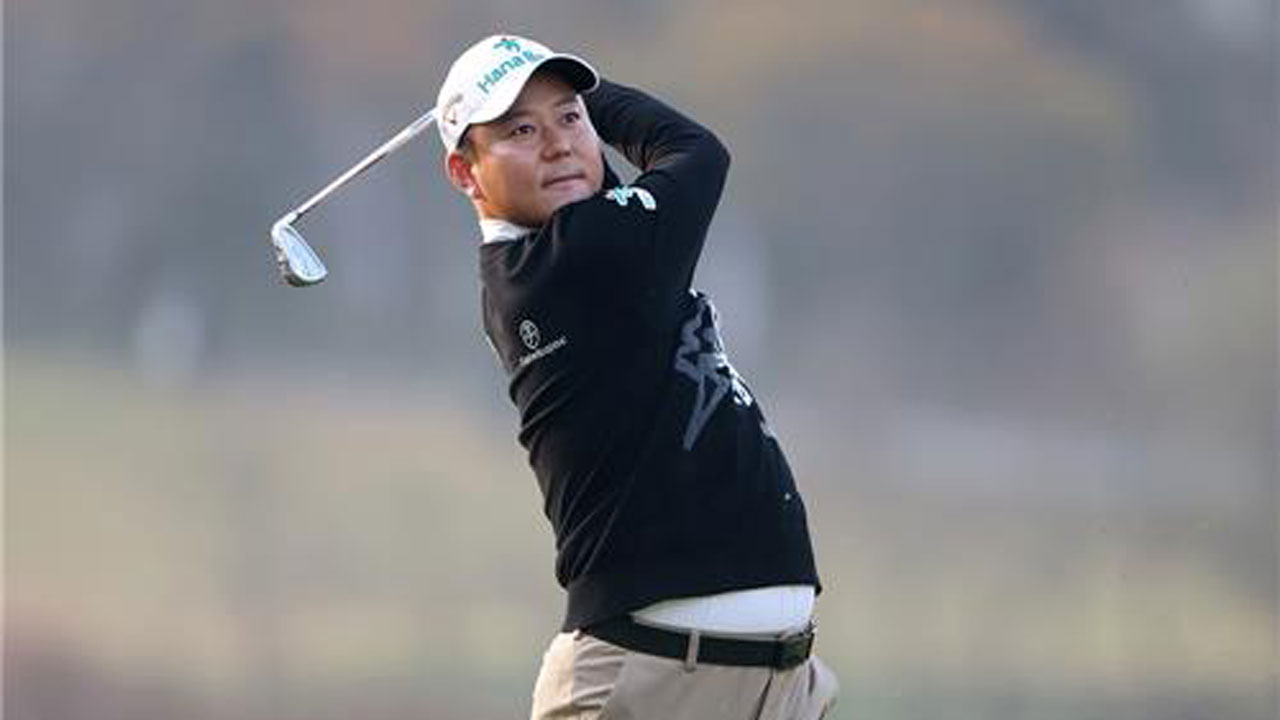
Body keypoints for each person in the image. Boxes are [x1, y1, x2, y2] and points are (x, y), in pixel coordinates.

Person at [436, 34, 838, 719]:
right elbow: (696, 152)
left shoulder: (577, 249)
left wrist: (553, 96)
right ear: (465, 172)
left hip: (764, 680)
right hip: (643, 677)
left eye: (569, 118)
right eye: (521, 130)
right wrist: (592, 97)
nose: (559, 145)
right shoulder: (576, 258)